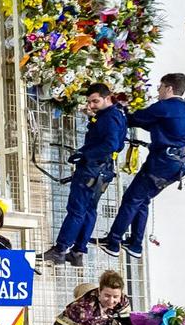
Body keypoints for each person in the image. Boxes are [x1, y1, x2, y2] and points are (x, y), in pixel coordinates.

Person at [99, 72, 185, 257]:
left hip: (162, 163)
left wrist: (120, 109)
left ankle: (113, 242)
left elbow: (136, 118)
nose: (158, 91)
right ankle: (135, 245)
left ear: (169, 88)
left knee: (131, 199)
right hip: (180, 166)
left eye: (160, 87)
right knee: (142, 199)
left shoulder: (166, 107)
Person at [41, 82, 127, 266]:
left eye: (95, 101)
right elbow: (117, 144)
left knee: (76, 210)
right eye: (89, 102)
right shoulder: (117, 114)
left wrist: (85, 154)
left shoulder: (109, 118)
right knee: (89, 210)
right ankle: (78, 251)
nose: (91, 106)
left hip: (91, 169)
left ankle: (60, 249)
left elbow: (111, 144)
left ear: (107, 98)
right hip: (104, 171)